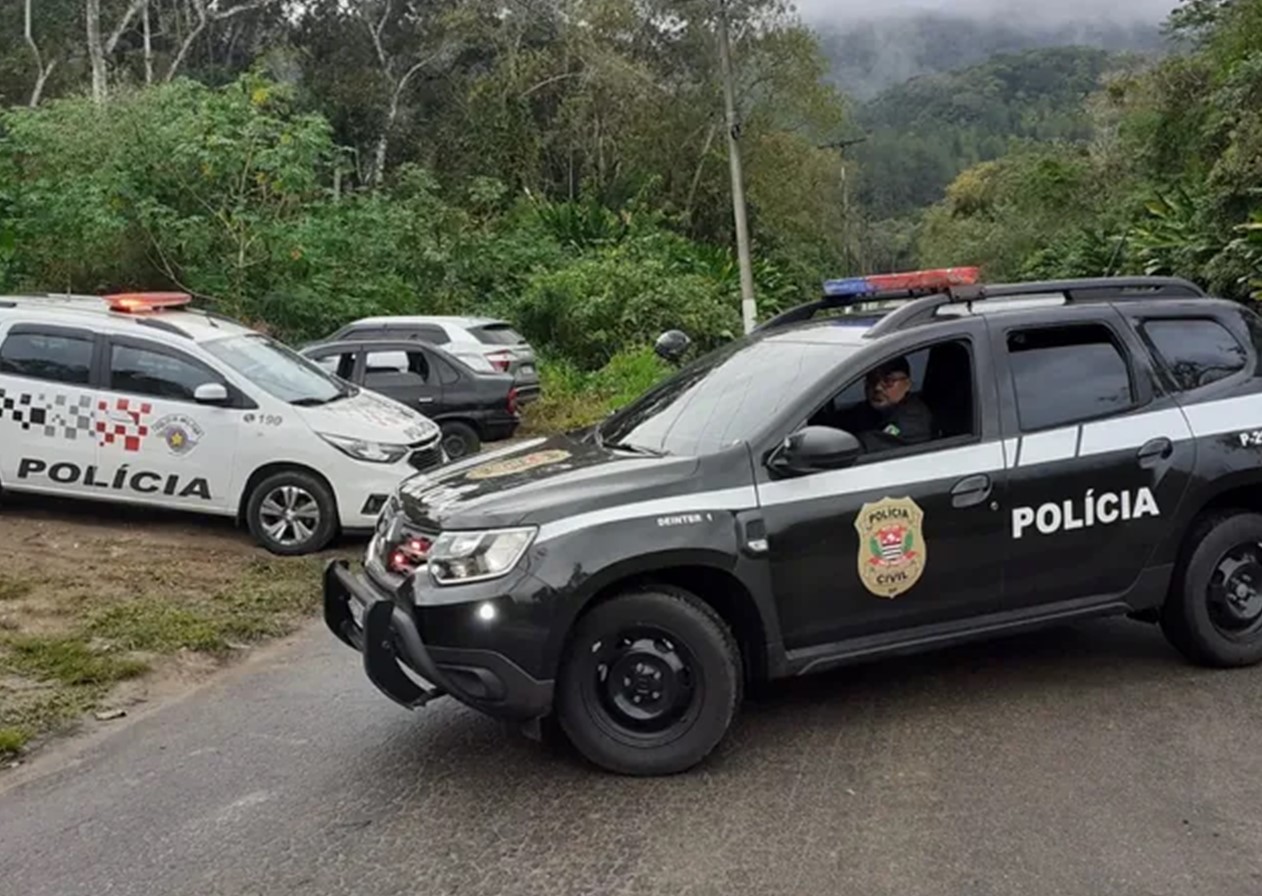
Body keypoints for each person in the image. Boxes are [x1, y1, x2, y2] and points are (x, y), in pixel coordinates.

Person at [850, 356, 933, 451]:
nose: (877, 388)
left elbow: (868, 445)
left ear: (907, 384)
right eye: (872, 379)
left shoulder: (912, 421)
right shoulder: (868, 410)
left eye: (888, 381)